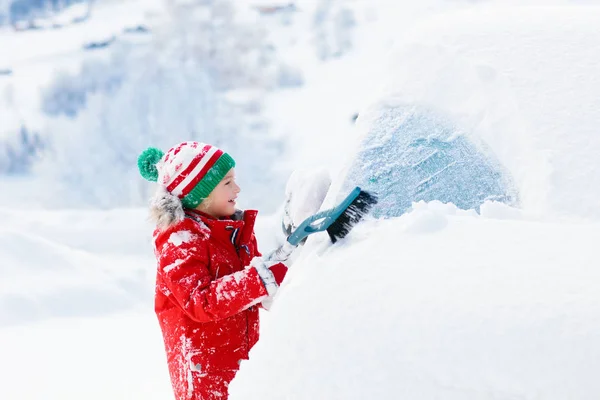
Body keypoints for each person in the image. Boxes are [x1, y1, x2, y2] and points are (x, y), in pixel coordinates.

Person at [137, 141, 289, 400]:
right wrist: (263, 279)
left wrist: (287, 270)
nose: (237, 189)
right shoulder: (179, 240)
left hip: (243, 361)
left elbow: (255, 285)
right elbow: (200, 300)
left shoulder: (232, 232)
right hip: (204, 374)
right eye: (227, 183)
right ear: (200, 192)